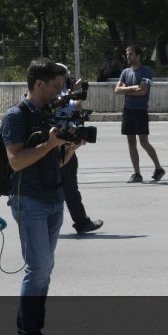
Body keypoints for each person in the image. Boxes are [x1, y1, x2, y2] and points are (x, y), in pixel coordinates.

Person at [3, 59, 85, 335]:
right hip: (30, 200)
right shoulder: (16, 115)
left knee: (45, 270)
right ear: (39, 84)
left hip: (53, 198)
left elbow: (55, 162)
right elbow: (16, 161)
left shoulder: (47, 113)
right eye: (55, 86)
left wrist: (69, 149)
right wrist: (51, 145)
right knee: (37, 268)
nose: (60, 91)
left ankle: (35, 333)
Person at [55, 72, 103, 235]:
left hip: (66, 145)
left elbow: (76, 112)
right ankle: (81, 222)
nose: (70, 81)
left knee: (67, 186)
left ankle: (81, 221)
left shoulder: (58, 95)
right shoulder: (57, 97)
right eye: (67, 78)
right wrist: (73, 94)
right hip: (61, 146)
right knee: (69, 187)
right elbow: (72, 109)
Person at [116, 45, 165, 183]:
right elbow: (117, 90)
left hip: (140, 110)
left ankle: (159, 168)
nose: (128, 56)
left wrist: (126, 89)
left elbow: (143, 91)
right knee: (131, 143)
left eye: (130, 54)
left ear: (138, 56)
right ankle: (137, 173)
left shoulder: (146, 71)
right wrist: (133, 88)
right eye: (127, 54)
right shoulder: (125, 72)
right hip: (127, 110)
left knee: (143, 142)